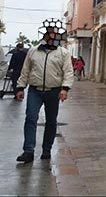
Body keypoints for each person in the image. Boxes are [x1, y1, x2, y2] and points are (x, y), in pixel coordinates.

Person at [15, 19, 73, 163]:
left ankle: (47, 150)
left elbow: (68, 72)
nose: (52, 36)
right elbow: (26, 70)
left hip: (54, 91)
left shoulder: (63, 53)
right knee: (30, 118)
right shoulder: (33, 51)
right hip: (35, 91)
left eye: (54, 33)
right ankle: (28, 151)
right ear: (44, 34)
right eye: (49, 33)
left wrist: (65, 88)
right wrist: (20, 87)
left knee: (51, 121)